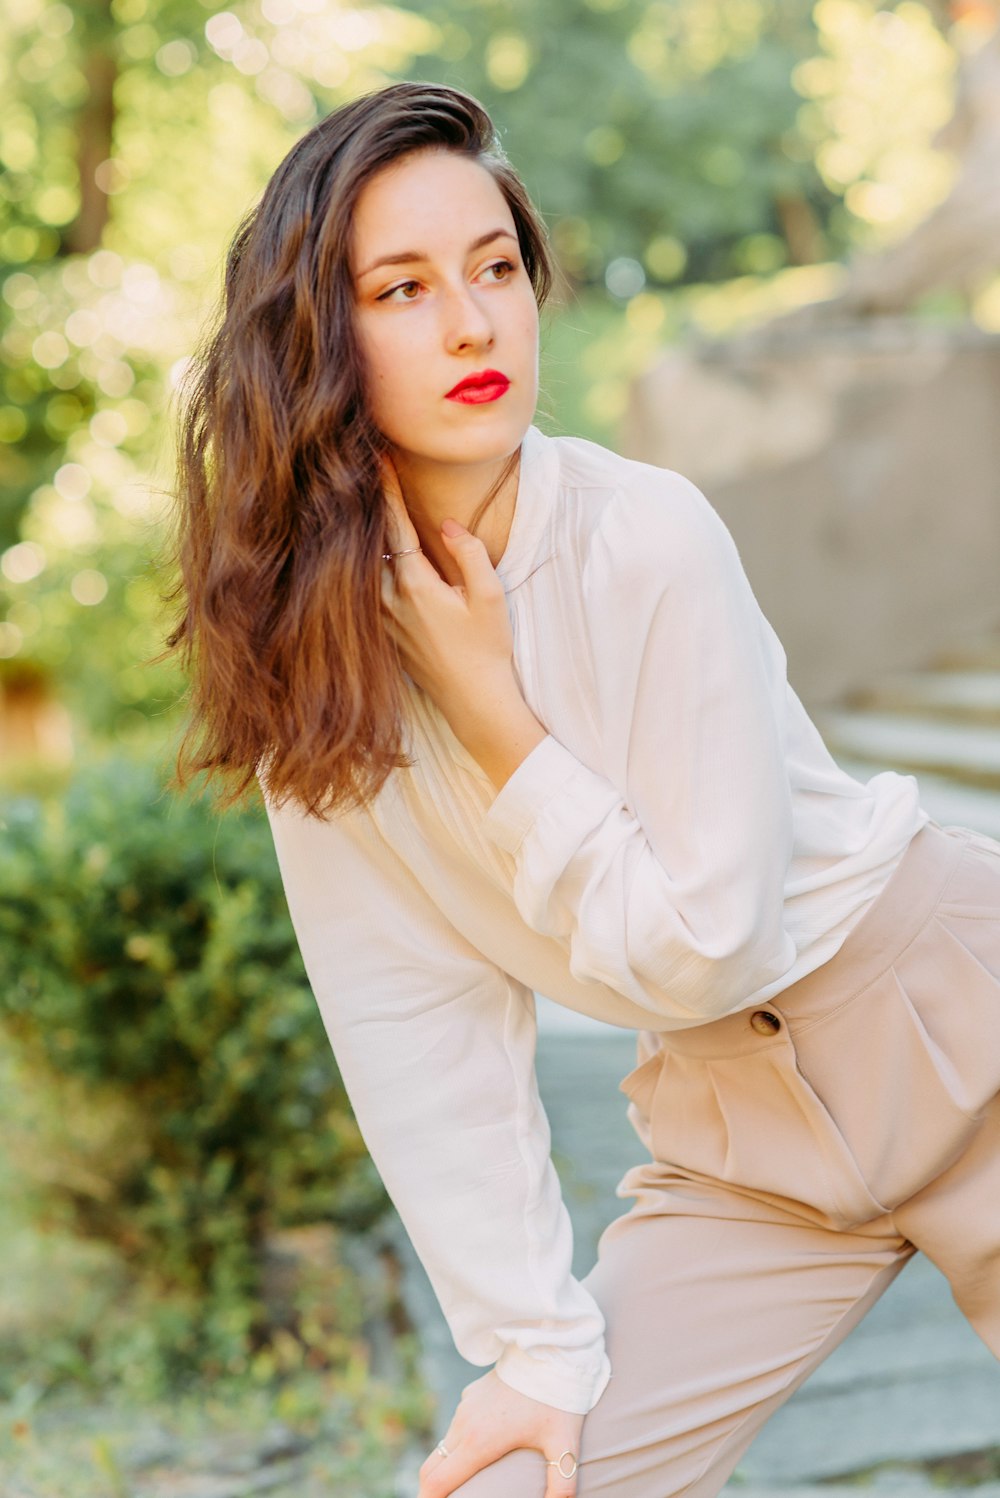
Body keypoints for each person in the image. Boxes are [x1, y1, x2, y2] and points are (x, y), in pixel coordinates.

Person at [164, 80, 1000, 1498]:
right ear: (317, 336)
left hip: (955, 1025)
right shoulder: (317, 660)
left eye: (496, 269)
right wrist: (529, 1347)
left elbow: (714, 932)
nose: (474, 323)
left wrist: (500, 723)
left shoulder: (648, 536)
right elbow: (409, 1015)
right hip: (742, 1140)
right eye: (404, 287)